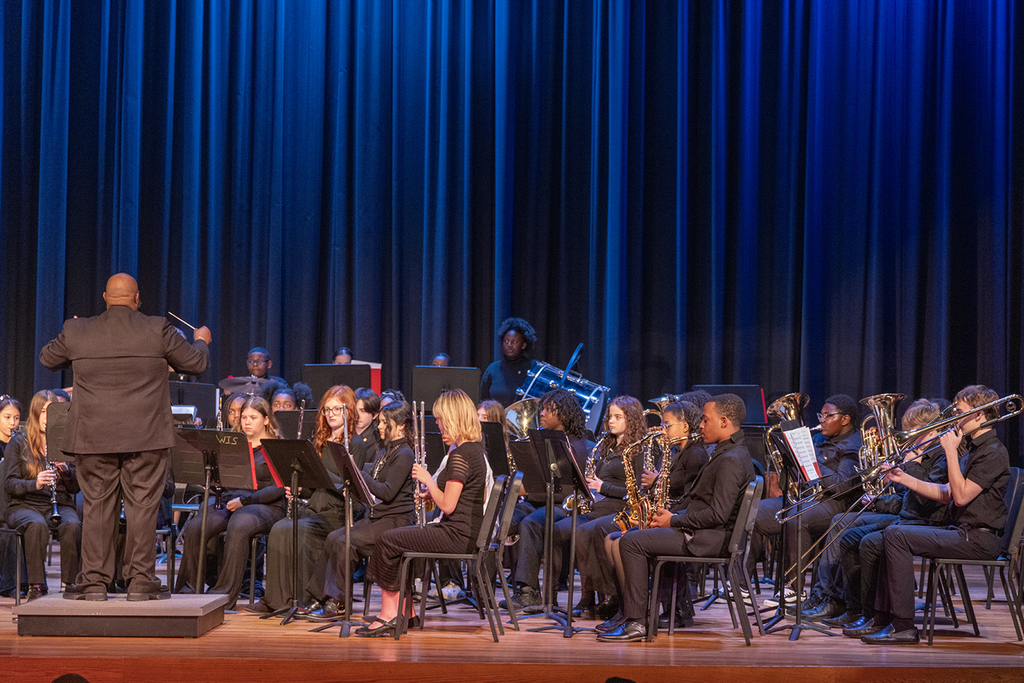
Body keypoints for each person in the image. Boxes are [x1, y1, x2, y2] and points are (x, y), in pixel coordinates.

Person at [39, 273, 210, 601]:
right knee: (143, 508)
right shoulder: (157, 328)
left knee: (97, 507)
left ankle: (93, 584)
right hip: (146, 437)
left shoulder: (79, 330)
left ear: (105, 298)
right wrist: (201, 338)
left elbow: (48, 358)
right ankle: (141, 582)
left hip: (93, 437)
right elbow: (197, 363)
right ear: (137, 299)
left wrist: (72, 331)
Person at [851, 385, 1009, 645]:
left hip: (979, 540)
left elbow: (960, 496)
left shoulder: (993, 451)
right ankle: (882, 619)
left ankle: (903, 626)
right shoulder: (974, 448)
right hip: (961, 532)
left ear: (980, 415)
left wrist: (948, 450)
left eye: (959, 412)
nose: (954, 418)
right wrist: (905, 477)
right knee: (892, 534)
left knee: (896, 535)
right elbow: (946, 493)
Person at [598, 394, 755, 642]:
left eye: (705, 420)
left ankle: (638, 622)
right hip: (701, 532)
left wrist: (673, 520)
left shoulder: (731, 460)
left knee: (632, 542)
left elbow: (717, 514)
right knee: (625, 536)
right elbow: (697, 500)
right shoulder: (726, 452)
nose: (700, 425)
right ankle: (630, 614)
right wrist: (663, 515)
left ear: (724, 421)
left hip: (708, 539)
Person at [358, 389, 488, 637]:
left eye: (440, 419)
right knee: (401, 540)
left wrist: (428, 481)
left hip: (455, 535)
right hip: (465, 532)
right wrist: (435, 491)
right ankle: (408, 613)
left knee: (388, 539)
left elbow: (448, 507)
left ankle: (389, 615)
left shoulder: (460, 454)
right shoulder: (475, 450)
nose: (437, 424)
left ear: (453, 418)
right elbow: (467, 497)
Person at [815, 400, 948, 628]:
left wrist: (910, 466)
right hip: (906, 515)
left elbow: (928, 499)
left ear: (934, 430)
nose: (910, 438)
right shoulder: (919, 453)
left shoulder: (942, 456)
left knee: (867, 541)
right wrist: (878, 502)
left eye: (915, 432)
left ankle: (870, 613)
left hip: (926, 522)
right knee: (844, 527)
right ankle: (850, 606)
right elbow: (905, 499)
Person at [509, 395, 643, 613]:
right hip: (595, 505)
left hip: (615, 508)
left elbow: (636, 491)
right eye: (610, 416)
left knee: (579, 531)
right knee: (553, 530)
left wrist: (602, 487)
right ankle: (548, 600)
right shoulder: (606, 446)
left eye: (618, 417)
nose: (610, 421)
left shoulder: (637, 450)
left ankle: (594, 598)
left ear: (632, 420)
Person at [591, 400, 709, 630]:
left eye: (667, 425)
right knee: (610, 540)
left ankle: (638, 611)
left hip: (680, 523)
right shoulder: (676, 452)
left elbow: (690, 499)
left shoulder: (695, 455)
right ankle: (626, 607)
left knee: (622, 542)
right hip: (669, 517)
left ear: (685, 427)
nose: (662, 430)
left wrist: (659, 517)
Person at [305, 400, 417, 620]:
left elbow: (387, 492)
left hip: (395, 520)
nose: (380, 426)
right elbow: (372, 490)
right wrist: (355, 488)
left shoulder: (404, 454)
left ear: (401, 425)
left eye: (385, 422)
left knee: (345, 543)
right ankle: (321, 597)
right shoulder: (386, 451)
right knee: (333, 537)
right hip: (379, 516)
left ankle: (339, 603)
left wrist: (358, 473)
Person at [248, 386, 355, 614]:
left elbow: (352, 487)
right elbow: (315, 488)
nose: (331, 414)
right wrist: (299, 489)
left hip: (339, 513)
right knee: (280, 527)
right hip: (317, 507)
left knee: (299, 530)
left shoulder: (356, 444)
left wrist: (320, 477)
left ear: (349, 410)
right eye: (327, 409)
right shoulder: (321, 441)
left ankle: (304, 599)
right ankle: (277, 599)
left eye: (337, 408)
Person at [749, 394, 862, 607]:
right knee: (751, 512)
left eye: (828, 416)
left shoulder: (854, 444)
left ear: (845, 419)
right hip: (805, 499)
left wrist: (812, 459)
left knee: (796, 519)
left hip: (837, 504)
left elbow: (841, 485)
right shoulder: (818, 438)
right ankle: (741, 585)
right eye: (821, 415)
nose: (821, 420)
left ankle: (794, 588)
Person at [175, 397, 285, 608]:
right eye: (244, 417)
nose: (247, 422)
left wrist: (245, 500)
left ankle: (224, 594)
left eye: (253, 417)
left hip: (267, 505)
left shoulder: (275, 446)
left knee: (240, 523)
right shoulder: (234, 444)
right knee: (198, 524)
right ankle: (188, 588)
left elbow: (278, 488)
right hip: (232, 501)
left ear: (266, 420)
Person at [3, 391, 82, 600]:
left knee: (72, 524)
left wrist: (65, 470)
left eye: (53, 412)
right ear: (35, 413)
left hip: (58, 504)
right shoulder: (19, 442)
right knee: (36, 524)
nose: (48, 417)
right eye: (44, 411)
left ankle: (70, 584)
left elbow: (76, 488)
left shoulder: (65, 442)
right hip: (24, 505)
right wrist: (35, 483)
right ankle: (36, 586)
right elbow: (10, 484)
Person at [479, 317, 536, 408]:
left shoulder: (534, 368)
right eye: (506, 341)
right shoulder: (493, 369)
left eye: (514, 342)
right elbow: (483, 400)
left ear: (523, 345)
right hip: (496, 420)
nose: (509, 345)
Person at [349, 388, 382, 470]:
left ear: (375, 415)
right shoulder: (345, 433)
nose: (357, 416)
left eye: (362, 411)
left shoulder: (378, 440)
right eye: (355, 411)